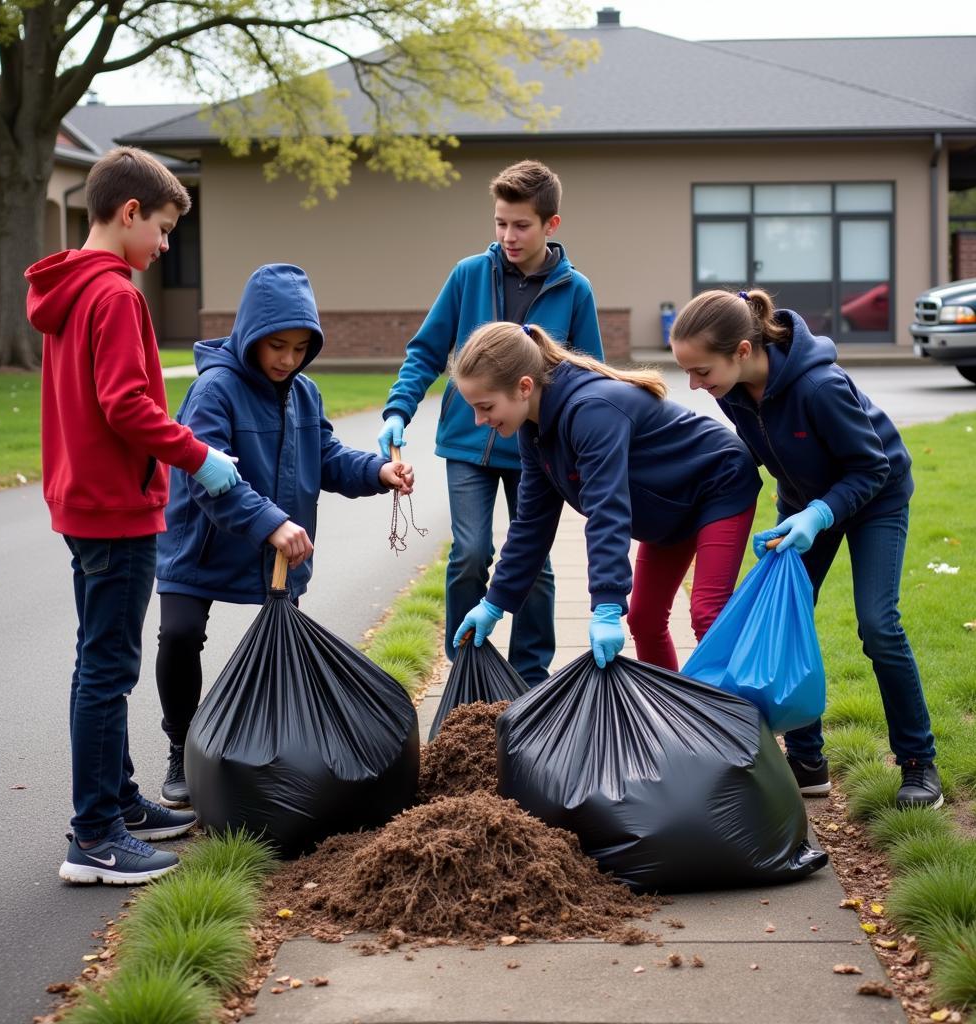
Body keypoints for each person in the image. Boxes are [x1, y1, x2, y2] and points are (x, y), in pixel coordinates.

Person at [25, 147, 242, 884]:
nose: (166, 244)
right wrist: (200, 458)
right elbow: (127, 406)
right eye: (164, 228)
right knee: (109, 668)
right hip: (115, 508)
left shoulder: (71, 288)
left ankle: (117, 800)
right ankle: (94, 836)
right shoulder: (115, 294)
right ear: (129, 214)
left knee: (98, 658)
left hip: (80, 500)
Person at [670, 288, 941, 810]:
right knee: (784, 617)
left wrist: (820, 515)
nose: (695, 384)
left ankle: (918, 763)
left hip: (874, 498)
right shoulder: (732, 392)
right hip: (802, 505)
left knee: (878, 626)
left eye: (701, 371)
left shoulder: (819, 386)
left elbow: (872, 466)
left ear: (743, 351)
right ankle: (807, 760)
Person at [154, 264, 414, 808]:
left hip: (279, 550)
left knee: (281, 645)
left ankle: (278, 754)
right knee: (179, 634)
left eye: (300, 349)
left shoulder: (304, 392)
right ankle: (181, 749)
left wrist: (376, 472)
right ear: (251, 333)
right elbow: (208, 483)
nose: (287, 360)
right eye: (277, 346)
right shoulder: (214, 390)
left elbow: (327, 457)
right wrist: (270, 521)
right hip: (202, 543)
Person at [377, 160, 604, 686]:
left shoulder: (576, 291)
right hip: (467, 446)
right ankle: (466, 671)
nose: (507, 236)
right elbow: (427, 350)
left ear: (552, 225)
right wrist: (397, 408)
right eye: (500, 223)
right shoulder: (468, 276)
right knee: (471, 553)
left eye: (521, 225)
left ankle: (529, 679)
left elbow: (590, 374)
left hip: (537, 452)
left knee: (535, 567)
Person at [449, 322, 762, 673]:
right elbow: (532, 523)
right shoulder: (534, 431)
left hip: (718, 483)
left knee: (708, 615)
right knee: (644, 620)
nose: (479, 420)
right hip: (671, 507)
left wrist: (607, 605)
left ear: (524, 387)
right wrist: (494, 603)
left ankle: (739, 722)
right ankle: (669, 717)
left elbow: (607, 509)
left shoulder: (591, 411)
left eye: (485, 406)